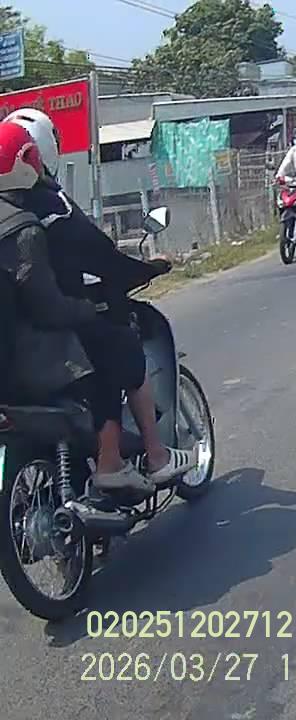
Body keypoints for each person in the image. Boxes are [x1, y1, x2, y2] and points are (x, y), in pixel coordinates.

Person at [0, 116, 194, 491]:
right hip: (30, 356)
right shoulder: (36, 216)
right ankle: (135, 460)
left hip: (10, 358)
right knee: (116, 347)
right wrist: (89, 309)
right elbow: (59, 296)